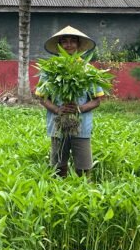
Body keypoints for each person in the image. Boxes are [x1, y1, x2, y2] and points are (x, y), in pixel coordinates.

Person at [36, 26, 104, 177]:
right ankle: (59, 189)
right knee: (58, 167)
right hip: (58, 125)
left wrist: (79, 109)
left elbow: (97, 101)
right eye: (64, 41)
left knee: (84, 168)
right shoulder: (50, 69)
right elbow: (42, 97)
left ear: (78, 45)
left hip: (81, 126)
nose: (69, 45)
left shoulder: (88, 69)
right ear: (59, 45)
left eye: (73, 41)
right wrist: (57, 110)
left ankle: (83, 190)